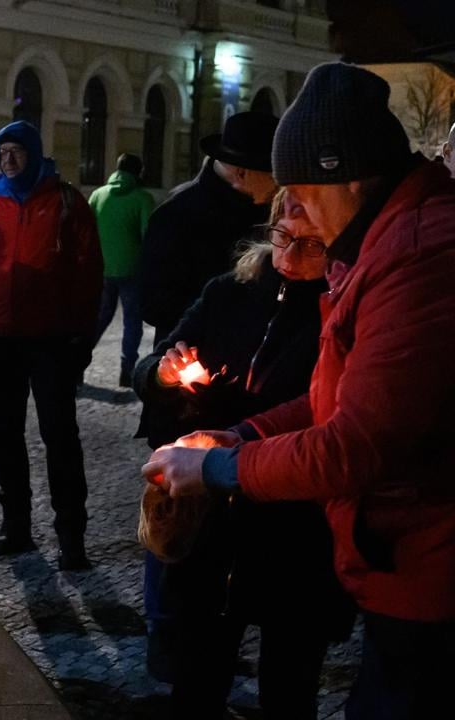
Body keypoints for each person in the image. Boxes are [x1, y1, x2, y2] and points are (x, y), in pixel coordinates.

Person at [142, 62, 455, 719]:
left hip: (423, 569)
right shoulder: (381, 246)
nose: (297, 214)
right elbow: (328, 400)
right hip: (396, 565)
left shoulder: (418, 257)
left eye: (306, 192)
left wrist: (219, 466)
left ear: (346, 175)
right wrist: (241, 434)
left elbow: (355, 442)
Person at [132, 189, 354, 718]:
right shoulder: (229, 292)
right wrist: (165, 373)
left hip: (296, 525)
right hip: (211, 518)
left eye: (309, 244)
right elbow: (151, 367)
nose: (290, 253)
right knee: (198, 674)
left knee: (289, 683)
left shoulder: (342, 308)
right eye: (281, 235)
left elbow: (327, 408)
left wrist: (245, 434)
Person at [0, 120, 102, 567]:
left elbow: (89, 274)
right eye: (3, 152)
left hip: (52, 341)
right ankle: (16, 525)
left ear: (33, 153)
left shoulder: (67, 202)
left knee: (59, 435)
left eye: (16, 151)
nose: (8, 159)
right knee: (5, 435)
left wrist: (81, 338)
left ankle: (71, 533)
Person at [141, 111, 278, 345]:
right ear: (242, 173)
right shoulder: (177, 213)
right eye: (273, 173)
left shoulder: (270, 209)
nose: (279, 182)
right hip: (190, 359)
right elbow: (155, 305)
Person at [89, 152, 155, 387]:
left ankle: (77, 362)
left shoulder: (98, 195)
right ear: (138, 172)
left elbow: (87, 230)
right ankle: (127, 371)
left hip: (102, 269)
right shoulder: (142, 199)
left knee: (99, 317)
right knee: (132, 321)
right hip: (131, 269)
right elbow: (149, 237)